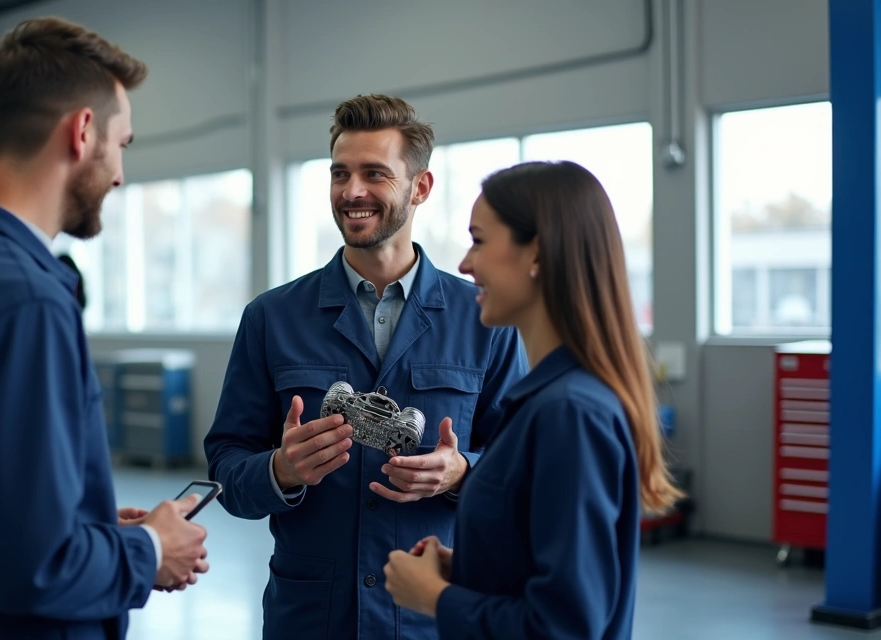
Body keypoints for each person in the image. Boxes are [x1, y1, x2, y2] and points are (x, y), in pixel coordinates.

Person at [0, 17, 209, 640]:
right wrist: (152, 550)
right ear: (83, 132)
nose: (120, 174)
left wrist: (89, 523)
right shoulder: (26, 301)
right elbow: (33, 570)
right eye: (122, 145)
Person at [203, 94, 528, 640]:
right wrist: (280, 471)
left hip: (431, 617)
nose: (352, 192)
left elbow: (524, 470)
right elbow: (226, 467)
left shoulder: (485, 319)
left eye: (374, 174)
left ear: (419, 188)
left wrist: (462, 472)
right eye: (340, 174)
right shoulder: (271, 317)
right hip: (312, 616)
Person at [382, 160, 684, 639]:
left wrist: (436, 599)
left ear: (537, 253)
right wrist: (468, 572)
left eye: (479, 240)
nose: (465, 264)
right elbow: (547, 571)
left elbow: (565, 627)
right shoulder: (547, 400)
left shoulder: (570, 413)